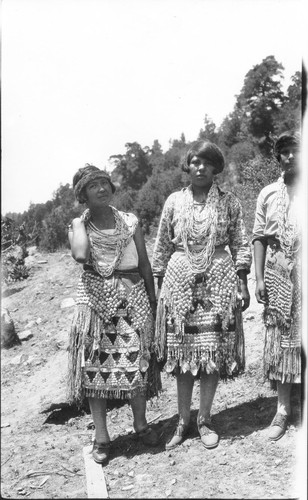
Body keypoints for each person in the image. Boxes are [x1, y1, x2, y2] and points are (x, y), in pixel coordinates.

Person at [152, 140, 251, 450]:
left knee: (210, 353)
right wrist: (159, 290)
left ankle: (204, 419)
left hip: (219, 280)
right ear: (188, 165)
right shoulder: (173, 202)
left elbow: (241, 243)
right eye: (194, 161)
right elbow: (162, 247)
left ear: (215, 168)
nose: (200, 167)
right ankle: (182, 420)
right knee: (183, 354)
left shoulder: (229, 202)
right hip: (180, 280)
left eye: (206, 162)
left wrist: (243, 282)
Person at [67, 164, 161, 464]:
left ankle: (141, 425)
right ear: (83, 194)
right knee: (95, 368)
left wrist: (152, 298)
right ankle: (103, 438)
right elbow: (81, 255)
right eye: (92, 186)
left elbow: (144, 263)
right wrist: (79, 224)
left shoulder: (130, 222)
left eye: (104, 182)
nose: (101, 189)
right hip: (95, 301)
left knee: (138, 363)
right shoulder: (79, 226)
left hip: (133, 295)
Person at [252, 131, 302, 441]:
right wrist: (258, 278)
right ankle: (283, 410)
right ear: (278, 158)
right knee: (283, 342)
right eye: (284, 152)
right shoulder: (268, 193)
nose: (291, 156)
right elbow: (258, 236)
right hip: (280, 270)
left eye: (296, 150)